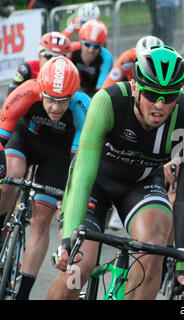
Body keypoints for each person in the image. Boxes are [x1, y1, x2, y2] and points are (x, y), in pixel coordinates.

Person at [46, 45, 184, 300]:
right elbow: (82, 176)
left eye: (169, 97)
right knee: (76, 270)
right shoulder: (108, 101)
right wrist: (69, 239)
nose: (160, 104)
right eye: (152, 94)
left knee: (153, 253)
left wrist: (183, 260)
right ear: (135, 88)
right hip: (94, 181)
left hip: (141, 184)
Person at [0, 56, 90, 300]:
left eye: (63, 101)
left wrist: (67, 197)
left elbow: (77, 163)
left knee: (41, 220)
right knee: (10, 175)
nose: (55, 108)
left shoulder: (83, 107)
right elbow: (1, 139)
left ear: (73, 96)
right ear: (41, 90)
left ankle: (22, 294)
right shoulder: (26, 92)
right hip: (25, 140)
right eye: (50, 99)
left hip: (59, 155)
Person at [7, 32, 72, 95]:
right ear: (39, 55)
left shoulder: (70, 73)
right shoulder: (26, 69)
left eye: (58, 58)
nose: (52, 62)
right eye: (48, 56)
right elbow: (11, 95)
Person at [70, 19, 113, 97]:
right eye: (87, 44)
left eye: (96, 46)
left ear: (101, 47)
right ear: (80, 41)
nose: (91, 50)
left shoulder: (106, 58)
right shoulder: (71, 50)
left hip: (94, 92)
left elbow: (102, 89)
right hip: (73, 89)